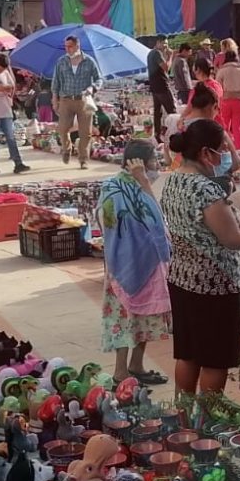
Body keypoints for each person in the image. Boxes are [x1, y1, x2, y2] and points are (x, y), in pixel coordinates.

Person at [161, 119, 240, 394]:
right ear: (205, 153)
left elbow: (201, 226)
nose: (225, 155)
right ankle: (208, 416)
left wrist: (232, 220)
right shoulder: (206, 189)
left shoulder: (173, 179)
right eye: (222, 149)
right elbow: (232, 238)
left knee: (188, 353)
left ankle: (184, 413)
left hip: (182, 279)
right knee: (215, 360)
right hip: (213, 285)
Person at [97, 139, 171, 385]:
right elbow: (155, 218)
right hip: (125, 264)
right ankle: (121, 372)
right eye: (154, 160)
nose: (157, 165)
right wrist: (144, 181)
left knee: (143, 318)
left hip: (145, 263)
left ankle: (136, 365)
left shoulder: (129, 185)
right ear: (139, 162)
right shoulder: (118, 187)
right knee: (123, 318)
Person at [52, 35, 101, 169]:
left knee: (85, 132)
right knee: (62, 128)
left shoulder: (89, 61)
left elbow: (99, 79)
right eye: (66, 46)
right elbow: (56, 82)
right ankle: (67, 148)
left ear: (77, 46)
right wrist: (54, 100)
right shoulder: (61, 61)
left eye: (70, 46)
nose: (67, 49)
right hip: (66, 99)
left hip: (83, 100)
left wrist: (92, 88)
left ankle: (83, 159)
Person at [215, 49, 240, 149]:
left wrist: (216, 104)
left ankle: (226, 148)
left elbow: (217, 88)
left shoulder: (221, 70)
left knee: (224, 127)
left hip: (224, 101)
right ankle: (239, 149)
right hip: (239, 101)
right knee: (238, 127)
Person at [147, 37, 176, 145]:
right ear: (158, 42)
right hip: (162, 86)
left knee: (157, 113)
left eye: (167, 44)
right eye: (164, 43)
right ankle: (176, 135)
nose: (166, 46)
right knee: (172, 111)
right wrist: (171, 56)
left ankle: (157, 135)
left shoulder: (151, 53)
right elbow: (166, 67)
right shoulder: (157, 53)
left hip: (155, 86)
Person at [171, 42, 195, 107]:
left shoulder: (176, 59)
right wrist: (190, 88)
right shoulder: (181, 61)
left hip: (179, 88)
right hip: (184, 90)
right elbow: (185, 77)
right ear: (184, 51)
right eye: (189, 52)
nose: (189, 54)